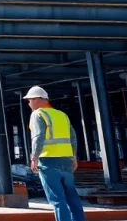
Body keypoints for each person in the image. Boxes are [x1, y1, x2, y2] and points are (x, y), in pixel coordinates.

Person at [25, 86, 85, 221]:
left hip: (48, 161)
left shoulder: (38, 114)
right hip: (66, 160)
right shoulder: (62, 115)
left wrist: (34, 158)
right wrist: (73, 157)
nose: (29, 103)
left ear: (37, 99)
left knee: (57, 199)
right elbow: (73, 137)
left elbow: (38, 137)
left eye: (30, 100)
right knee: (72, 197)